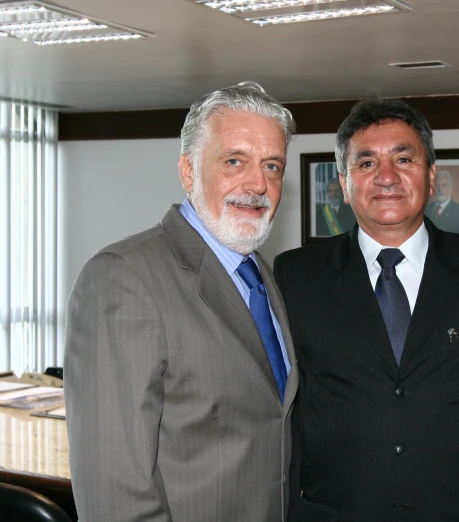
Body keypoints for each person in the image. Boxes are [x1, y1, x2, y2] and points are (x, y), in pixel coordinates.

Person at [274, 96, 459, 521]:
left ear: (430, 175)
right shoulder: (295, 276)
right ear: (345, 183)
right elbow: (290, 413)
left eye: (403, 158)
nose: (386, 177)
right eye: (367, 163)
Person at [64, 81, 298, 522]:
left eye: (272, 166)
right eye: (235, 161)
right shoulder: (123, 277)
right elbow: (114, 496)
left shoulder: (261, 274)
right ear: (189, 171)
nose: (258, 184)